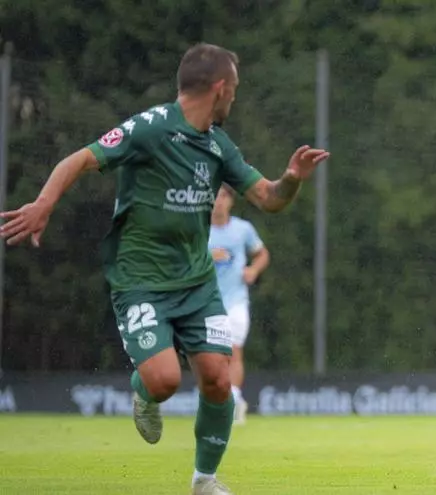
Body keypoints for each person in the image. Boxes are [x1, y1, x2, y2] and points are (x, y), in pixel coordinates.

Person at [0, 43, 329, 495]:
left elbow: (269, 199)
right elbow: (80, 159)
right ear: (219, 88)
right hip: (140, 282)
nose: (235, 98)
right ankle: (144, 390)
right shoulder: (150, 128)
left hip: (197, 283)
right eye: (234, 89)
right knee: (164, 380)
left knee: (218, 378)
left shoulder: (218, 146)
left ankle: (204, 480)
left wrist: (291, 179)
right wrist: (43, 204)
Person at [209, 185, 270, 425]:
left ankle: (232, 401)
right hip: (208, 304)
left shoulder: (242, 229)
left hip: (236, 302)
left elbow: (262, 254)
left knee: (234, 352)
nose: (218, 202)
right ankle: (225, 400)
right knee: (213, 358)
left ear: (231, 201)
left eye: (223, 196)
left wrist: (253, 270)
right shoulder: (199, 231)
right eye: (214, 197)